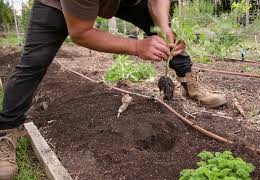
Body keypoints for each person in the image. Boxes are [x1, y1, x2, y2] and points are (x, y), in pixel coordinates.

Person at [0, 0, 227, 179]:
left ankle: (189, 82)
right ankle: (7, 129)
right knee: (34, 60)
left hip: (121, 2)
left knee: (163, 27)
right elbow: (80, 32)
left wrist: (163, 27)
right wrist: (137, 46)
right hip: (57, 5)